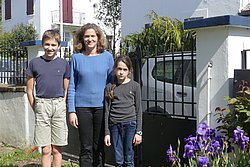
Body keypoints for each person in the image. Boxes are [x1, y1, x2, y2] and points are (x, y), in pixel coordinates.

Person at [67, 23, 114, 167]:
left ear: (98, 37)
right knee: (86, 148)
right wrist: (71, 110)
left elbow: (112, 83)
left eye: (93, 36)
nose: (90, 39)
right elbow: (72, 86)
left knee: (98, 147)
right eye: (86, 36)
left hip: (101, 107)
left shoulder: (107, 57)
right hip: (82, 108)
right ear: (82, 39)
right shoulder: (76, 58)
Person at [26, 29, 70, 167]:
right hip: (42, 104)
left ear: (58, 46)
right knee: (46, 149)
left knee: (57, 149)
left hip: (58, 106)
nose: (50, 48)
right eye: (47, 44)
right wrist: (36, 106)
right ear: (42, 45)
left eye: (53, 45)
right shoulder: (34, 63)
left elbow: (66, 89)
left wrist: (62, 103)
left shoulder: (64, 64)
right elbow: (29, 90)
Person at [104, 56, 143, 167]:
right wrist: (107, 133)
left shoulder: (135, 86)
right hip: (114, 125)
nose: (121, 72)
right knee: (118, 159)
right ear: (115, 69)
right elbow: (107, 110)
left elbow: (139, 109)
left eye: (124, 69)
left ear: (129, 71)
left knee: (129, 159)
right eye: (119, 69)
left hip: (130, 125)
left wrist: (139, 132)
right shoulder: (109, 88)